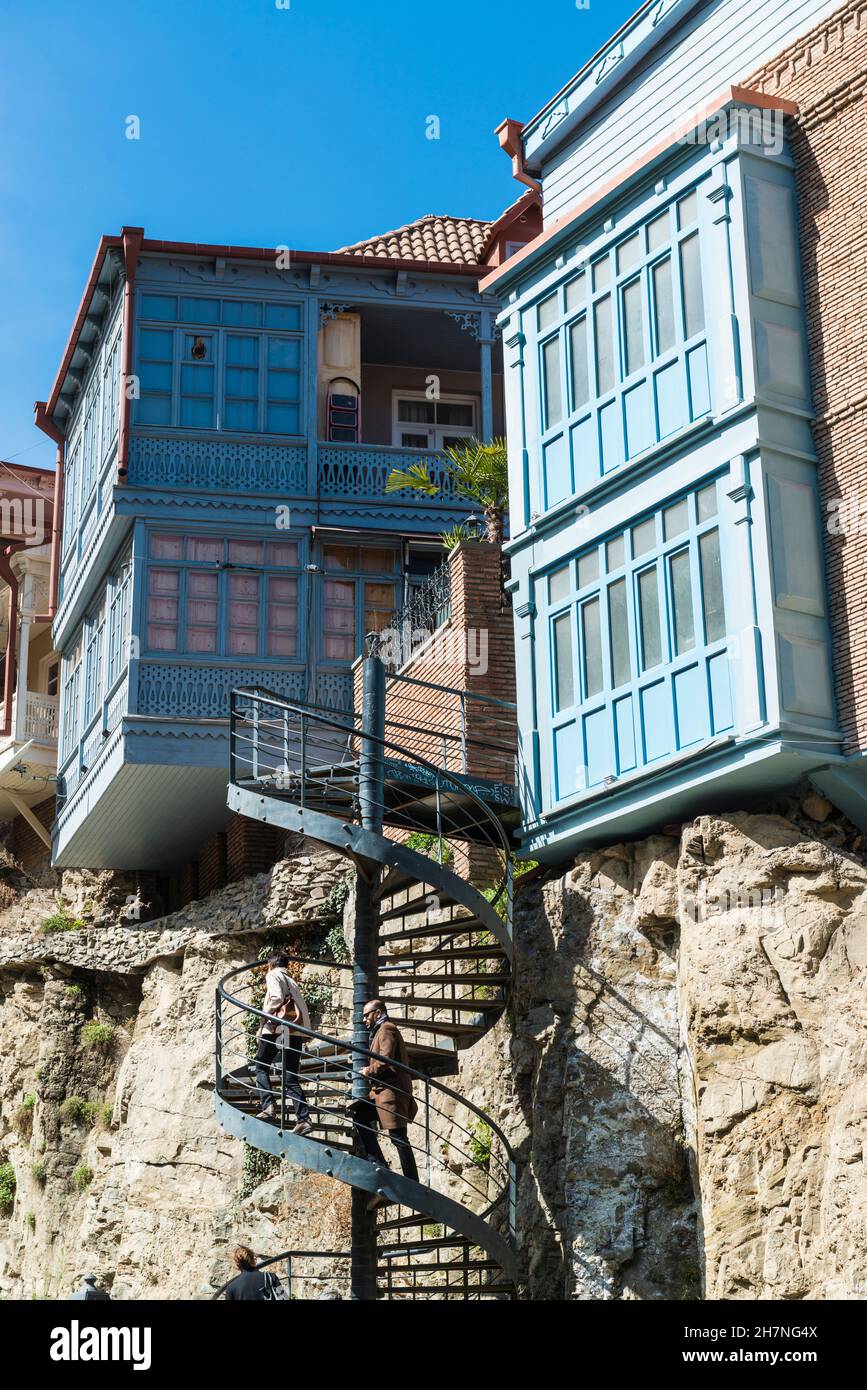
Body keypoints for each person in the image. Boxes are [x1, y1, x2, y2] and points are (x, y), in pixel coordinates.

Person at [354, 999, 419, 1209]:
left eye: (367, 1015)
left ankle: (412, 1183)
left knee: (399, 1137)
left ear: (378, 1012)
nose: (364, 1019)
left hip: (391, 1094)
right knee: (360, 1115)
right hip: (381, 1094)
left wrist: (367, 1071)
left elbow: (385, 1060)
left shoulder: (387, 1028)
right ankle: (380, 1165)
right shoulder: (379, 1030)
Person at [254, 952, 313, 1136]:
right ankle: (304, 1119)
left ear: (270, 965)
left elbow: (277, 998)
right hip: (293, 1030)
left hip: (276, 1029)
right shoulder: (292, 980)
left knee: (261, 1066)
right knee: (290, 1077)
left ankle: (268, 1105)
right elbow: (301, 1008)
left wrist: (264, 1017)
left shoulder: (273, 975)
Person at [223, 1246, 288, 1301]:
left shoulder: (231, 1287)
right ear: (253, 1259)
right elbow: (284, 1298)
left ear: (236, 1264)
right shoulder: (270, 1277)